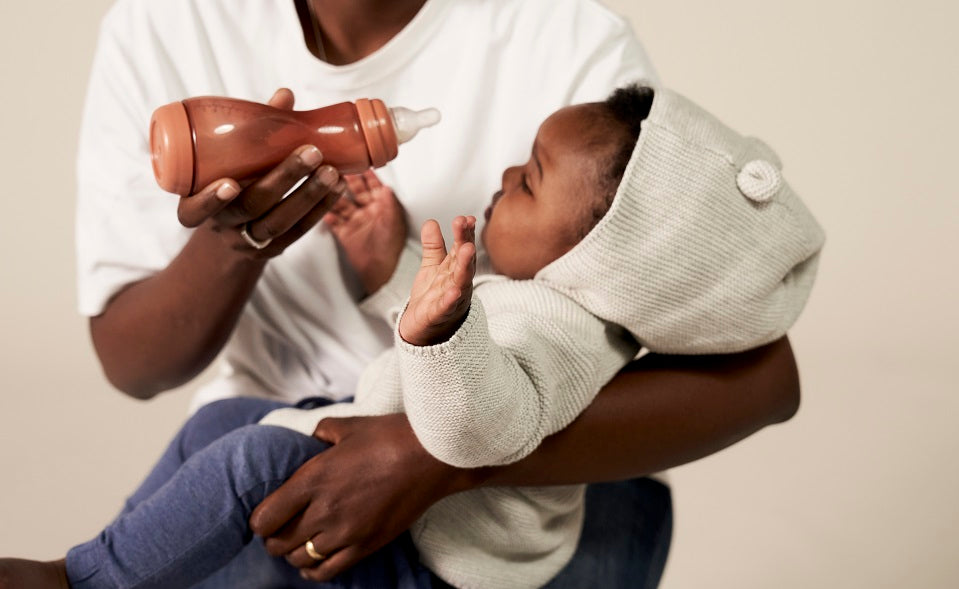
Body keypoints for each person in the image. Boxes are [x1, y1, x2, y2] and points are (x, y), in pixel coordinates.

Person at [64, 0, 806, 586]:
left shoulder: (568, 40)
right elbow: (136, 362)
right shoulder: (163, 24)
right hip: (332, 414)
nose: (507, 176)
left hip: (501, 514)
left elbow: (492, 379)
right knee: (223, 426)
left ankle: (88, 578)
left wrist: (422, 458)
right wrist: (243, 243)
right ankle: (99, 563)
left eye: (531, 178)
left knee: (248, 461)